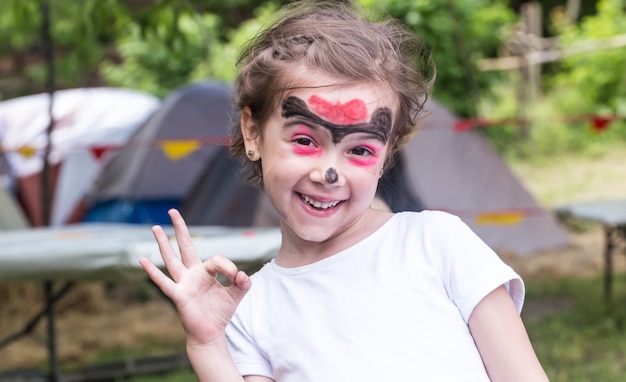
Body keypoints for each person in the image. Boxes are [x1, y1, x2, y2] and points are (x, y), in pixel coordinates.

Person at [139, 1, 549, 381]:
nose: (329, 173)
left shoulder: (439, 245)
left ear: (387, 153)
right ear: (252, 131)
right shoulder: (249, 309)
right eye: (304, 141)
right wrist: (208, 344)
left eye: (360, 149)